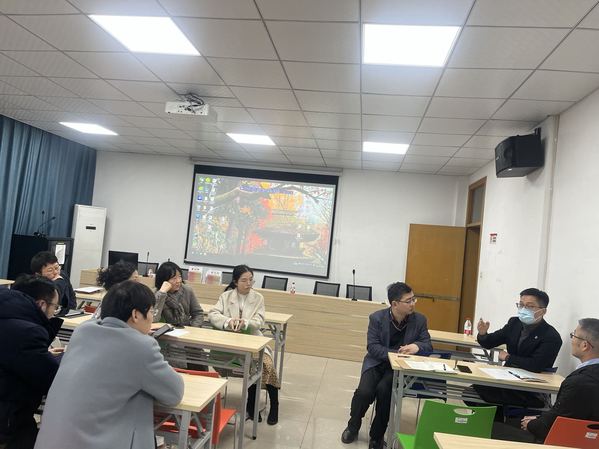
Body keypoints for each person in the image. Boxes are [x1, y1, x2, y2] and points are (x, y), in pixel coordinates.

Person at [34, 281, 184, 449]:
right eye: (151, 312)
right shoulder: (141, 346)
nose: (151, 319)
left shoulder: (83, 331)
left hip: (51, 440)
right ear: (135, 315)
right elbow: (174, 393)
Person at [341, 282, 432, 449]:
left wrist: (417, 346)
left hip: (399, 369)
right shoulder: (377, 318)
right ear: (395, 304)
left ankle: (377, 436)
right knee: (364, 392)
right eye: (408, 301)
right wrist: (395, 354)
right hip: (377, 362)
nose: (413, 304)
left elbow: (428, 345)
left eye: (414, 299)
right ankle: (353, 426)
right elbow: (372, 347)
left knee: (385, 392)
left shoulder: (419, 320)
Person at [208, 265, 280, 425]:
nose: (248, 283)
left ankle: (274, 405)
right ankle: (251, 407)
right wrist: (228, 321)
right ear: (235, 281)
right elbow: (213, 314)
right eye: (244, 280)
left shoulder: (258, 298)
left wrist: (245, 323)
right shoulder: (226, 296)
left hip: (253, 340)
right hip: (230, 344)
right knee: (250, 367)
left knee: (266, 365)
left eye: (251, 280)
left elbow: (259, 320)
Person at [0, 275, 63, 449]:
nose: (54, 313)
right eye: (55, 307)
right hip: (7, 423)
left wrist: (42, 354)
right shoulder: (28, 333)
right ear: (41, 304)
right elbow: (50, 379)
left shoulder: (7, 318)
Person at [521, 318, 599, 442]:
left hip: (569, 441)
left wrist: (531, 424)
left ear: (584, 345)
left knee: (501, 430)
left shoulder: (579, 382)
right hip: (590, 441)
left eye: (574, 335)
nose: (572, 340)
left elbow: (551, 425)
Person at [154, 262, 203, 327]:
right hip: (162, 329)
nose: (178, 281)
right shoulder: (155, 294)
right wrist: (162, 294)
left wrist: (193, 328)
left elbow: (198, 313)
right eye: (174, 278)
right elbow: (153, 318)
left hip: (184, 328)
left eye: (179, 277)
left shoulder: (187, 290)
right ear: (164, 280)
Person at [30, 251, 76, 316]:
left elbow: (72, 299)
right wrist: (59, 281)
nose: (55, 272)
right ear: (38, 274)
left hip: (65, 316)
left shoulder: (63, 275)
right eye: (50, 270)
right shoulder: (35, 285)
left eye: (57, 268)